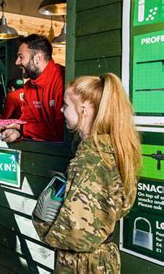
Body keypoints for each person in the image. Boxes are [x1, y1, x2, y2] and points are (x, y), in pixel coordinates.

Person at [33, 73, 141, 273]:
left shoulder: (90, 161)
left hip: (82, 264)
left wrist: (42, 223)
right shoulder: (114, 150)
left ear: (83, 110)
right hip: (104, 259)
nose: (61, 110)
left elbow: (76, 234)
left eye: (65, 105)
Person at [1, 34, 64, 142]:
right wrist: (17, 132)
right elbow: (26, 122)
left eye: (21, 57)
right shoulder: (28, 86)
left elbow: (61, 131)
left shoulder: (63, 79)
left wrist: (22, 128)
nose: (17, 62)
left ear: (37, 58)